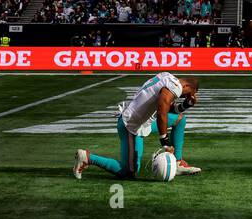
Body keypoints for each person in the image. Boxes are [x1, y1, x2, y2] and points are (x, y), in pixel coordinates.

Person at [73, 73, 202, 179]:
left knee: (179, 119)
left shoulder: (167, 77)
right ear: (186, 85)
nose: (183, 96)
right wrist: (165, 142)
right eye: (187, 94)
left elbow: (168, 108)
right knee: (128, 172)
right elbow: (162, 110)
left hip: (144, 123)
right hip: (131, 126)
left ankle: (178, 162)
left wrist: (186, 105)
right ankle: (87, 158)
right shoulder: (175, 86)